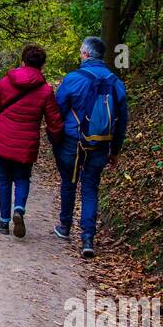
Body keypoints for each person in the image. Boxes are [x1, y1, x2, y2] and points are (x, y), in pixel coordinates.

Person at [0, 45, 63, 238]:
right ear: (42, 66)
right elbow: (54, 120)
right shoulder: (45, 91)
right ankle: (18, 210)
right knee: (22, 178)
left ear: (22, 61)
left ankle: (4, 222)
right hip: (26, 142)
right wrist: (58, 139)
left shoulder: (6, 83)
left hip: (2, 139)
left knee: (3, 180)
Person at [53, 36, 129, 259]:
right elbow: (121, 120)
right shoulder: (115, 82)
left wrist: (55, 140)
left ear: (85, 54)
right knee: (90, 188)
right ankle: (87, 237)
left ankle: (65, 226)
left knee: (69, 182)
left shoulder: (73, 79)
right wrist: (115, 150)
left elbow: (58, 110)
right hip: (102, 143)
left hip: (72, 141)